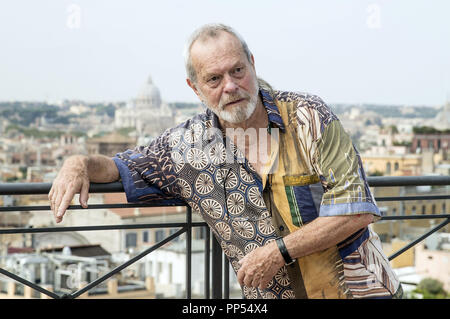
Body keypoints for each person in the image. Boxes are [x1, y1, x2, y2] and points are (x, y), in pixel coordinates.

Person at [49, 23, 403, 299]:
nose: (230, 86)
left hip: (361, 291)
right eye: (214, 79)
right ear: (195, 88)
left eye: (237, 71)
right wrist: (76, 164)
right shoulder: (185, 147)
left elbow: (357, 209)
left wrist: (277, 253)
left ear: (253, 63)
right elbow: (118, 167)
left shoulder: (310, 115)